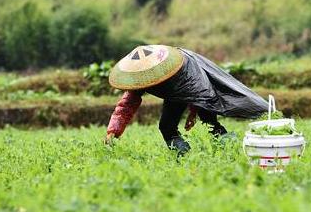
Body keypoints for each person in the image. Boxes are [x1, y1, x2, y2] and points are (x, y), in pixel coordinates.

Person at [105, 45, 268, 155]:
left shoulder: (176, 68)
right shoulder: (141, 77)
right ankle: (186, 157)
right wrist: (113, 131)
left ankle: (232, 150)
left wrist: (194, 111)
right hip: (181, 90)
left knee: (208, 122)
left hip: (197, 85)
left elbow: (197, 92)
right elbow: (126, 105)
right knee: (168, 127)